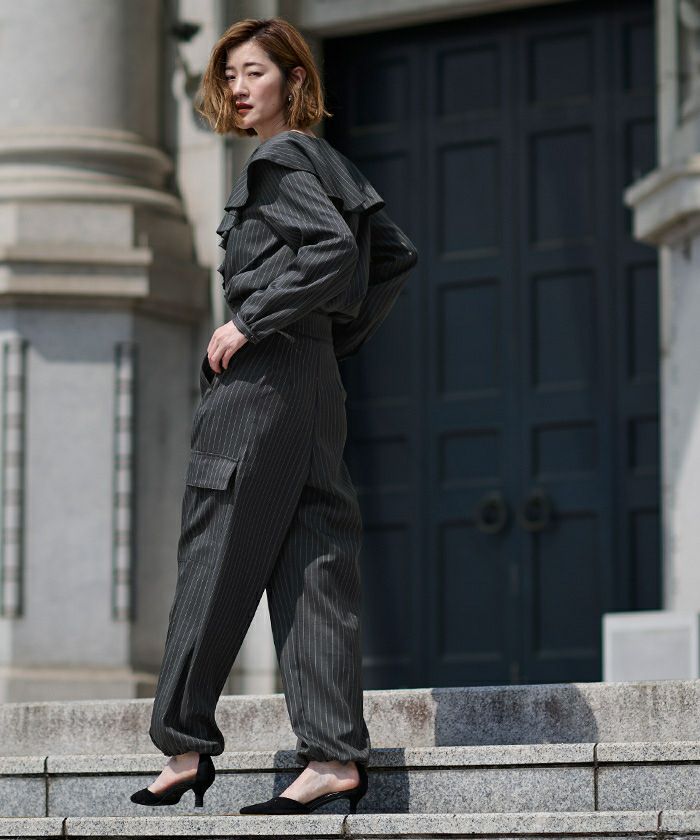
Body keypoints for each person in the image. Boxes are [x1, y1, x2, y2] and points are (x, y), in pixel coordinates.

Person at [129, 16, 418, 816]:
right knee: (315, 559)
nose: (237, 88)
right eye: (228, 75)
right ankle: (331, 755)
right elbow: (390, 255)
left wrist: (252, 322)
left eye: (254, 72)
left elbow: (329, 251)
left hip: (259, 389)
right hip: (313, 386)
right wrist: (328, 339)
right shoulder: (325, 161)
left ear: (295, 79)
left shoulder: (277, 158)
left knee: (216, 548)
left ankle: (183, 744)